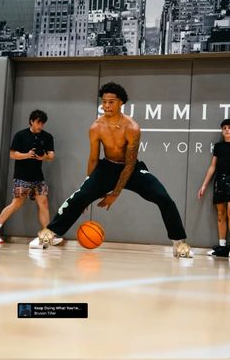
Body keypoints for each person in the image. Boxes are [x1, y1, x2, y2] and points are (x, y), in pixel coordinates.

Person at [35, 83, 193, 257]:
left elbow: (130, 165)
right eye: (104, 102)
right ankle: (49, 233)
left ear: (121, 103)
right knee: (80, 197)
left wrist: (115, 193)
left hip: (131, 169)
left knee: (164, 198)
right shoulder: (96, 127)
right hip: (107, 167)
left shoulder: (132, 127)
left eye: (111, 102)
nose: (106, 106)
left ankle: (179, 242)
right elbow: (94, 158)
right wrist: (89, 187)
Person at [0, 109, 62, 248]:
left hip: (38, 177)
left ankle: (47, 236)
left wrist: (44, 157)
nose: (40, 126)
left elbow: (52, 155)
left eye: (42, 123)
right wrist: (27, 155)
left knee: (44, 204)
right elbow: (12, 155)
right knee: (16, 203)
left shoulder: (47, 137)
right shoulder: (21, 135)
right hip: (21, 176)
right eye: (38, 122)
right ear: (31, 121)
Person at [198, 119, 230, 257]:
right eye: (224, 128)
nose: (227, 130)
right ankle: (222, 248)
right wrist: (204, 185)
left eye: (229, 127)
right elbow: (213, 167)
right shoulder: (218, 146)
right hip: (220, 181)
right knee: (221, 214)